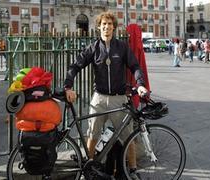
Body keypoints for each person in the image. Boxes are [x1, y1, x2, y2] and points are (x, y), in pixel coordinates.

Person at [64, 11, 148, 180]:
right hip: (99, 98)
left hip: (119, 98)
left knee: (128, 137)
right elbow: (75, 66)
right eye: (104, 24)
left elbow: (135, 66)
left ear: (114, 28)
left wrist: (140, 85)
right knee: (92, 135)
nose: (107, 27)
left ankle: (132, 169)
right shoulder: (93, 48)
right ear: (99, 27)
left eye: (110, 24)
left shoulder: (122, 47)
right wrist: (68, 86)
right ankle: (87, 169)